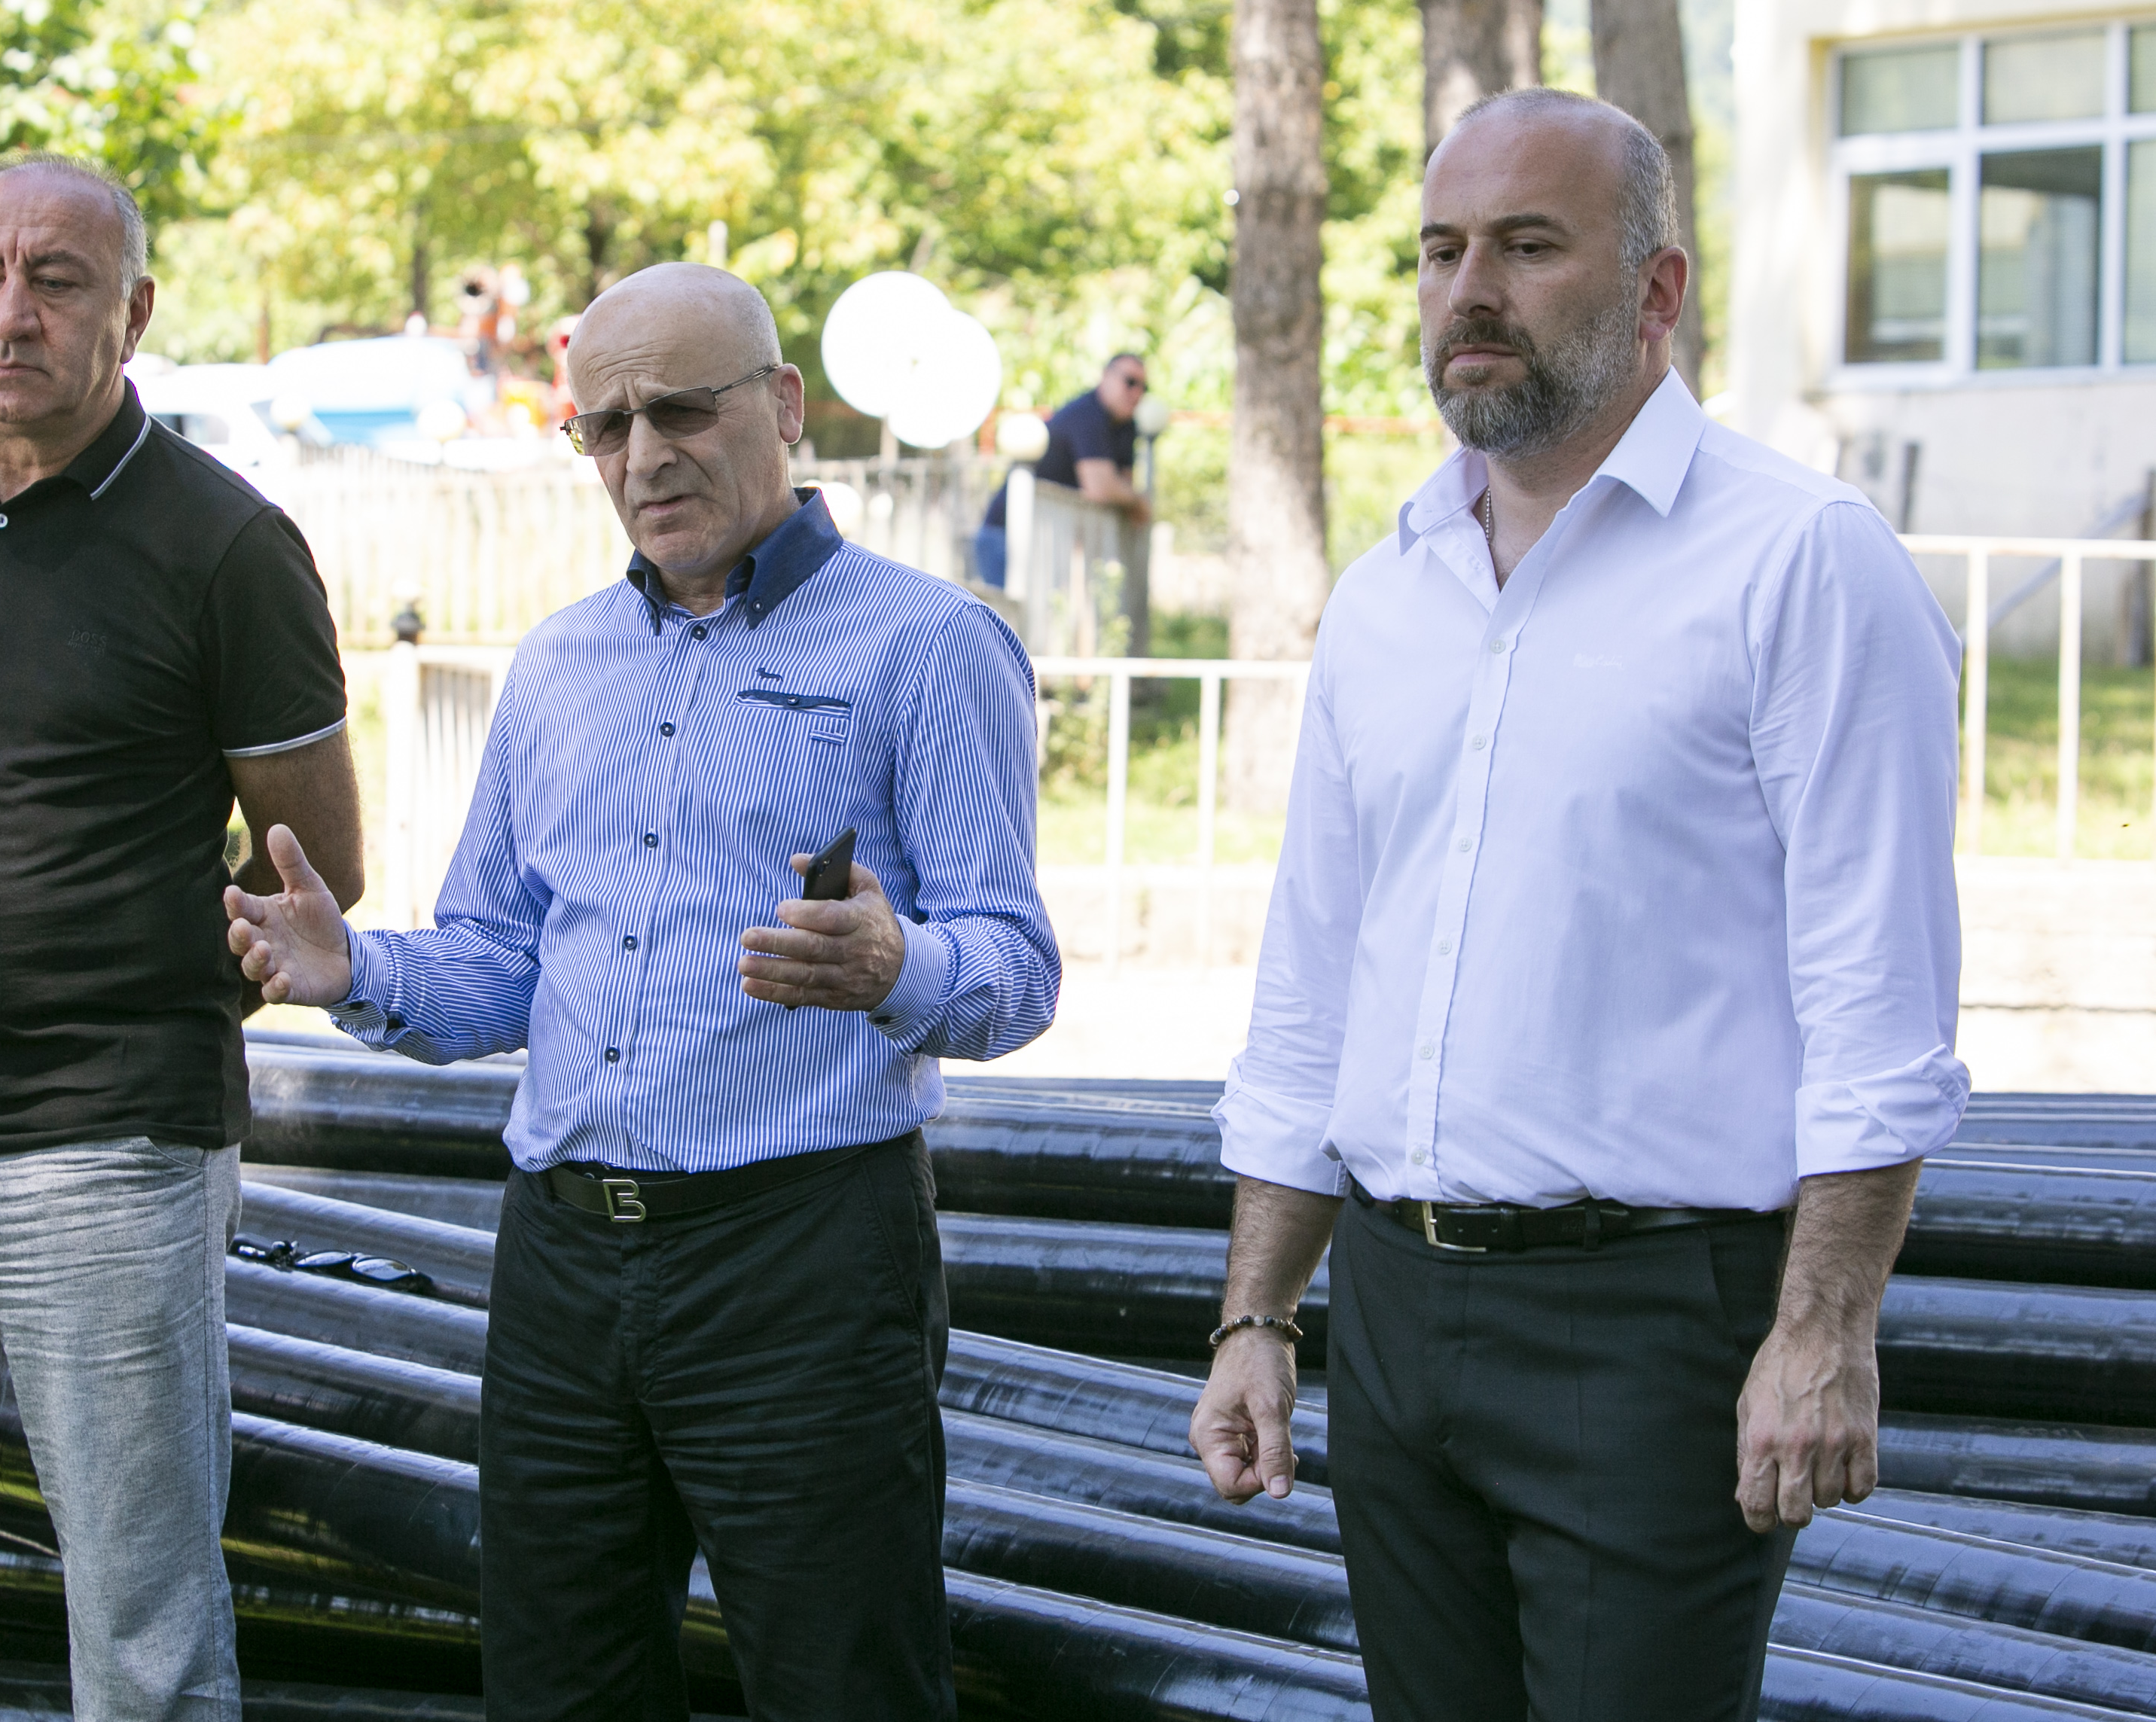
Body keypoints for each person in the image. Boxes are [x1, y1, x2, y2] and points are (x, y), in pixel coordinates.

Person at [1188, 89, 1965, 1722]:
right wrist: (1259, 1313)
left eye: (1529, 246)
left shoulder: (1801, 562)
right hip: (1391, 1315)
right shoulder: (1385, 596)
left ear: (1656, 289)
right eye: (1440, 250)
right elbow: (1313, 989)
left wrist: (1822, 1330)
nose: (1470, 291)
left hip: (1651, 1328)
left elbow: (1876, 1006)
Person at [224, 262, 1058, 1720]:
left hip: (800, 1258)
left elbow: (1017, 966)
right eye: (604, 426)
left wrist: (896, 966)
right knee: (559, 1687)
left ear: (784, 405)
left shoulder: (925, 645)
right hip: (561, 1263)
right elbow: (503, 959)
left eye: (680, 409)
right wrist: (356, 970)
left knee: (843, 1685)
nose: (643, 454)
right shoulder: (558, 665)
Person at [0, 153, 361, 1720]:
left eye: (56, 280)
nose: (10, 314)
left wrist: (116, 990)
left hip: (110, 1151)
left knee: (143, 1631)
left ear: (136, 311)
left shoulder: (227, 545)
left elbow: (313, 869)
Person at [973, 352, 1150, 591]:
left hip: (1045, 541)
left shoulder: (1126, 427)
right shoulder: (1087, 414)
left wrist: (1128, 498)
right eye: (1130, 382)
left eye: (1143, 387)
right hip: (1005, 536)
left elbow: (1122, 486)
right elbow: (1100, 487)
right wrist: (1137, 501)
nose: (1137, 393)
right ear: (1105, 377)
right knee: (1007, 613)